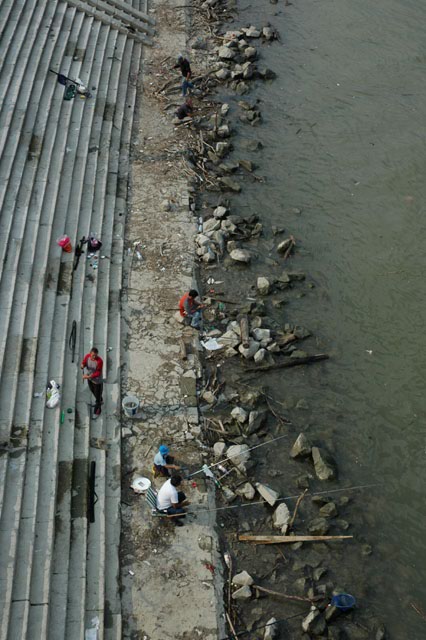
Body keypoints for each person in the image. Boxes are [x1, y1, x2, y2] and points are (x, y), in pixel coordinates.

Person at [81, 347, 103, 416]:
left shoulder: (99, 361)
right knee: (92, 390)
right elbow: (84, 362)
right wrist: (82, 365)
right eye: (93, 355)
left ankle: (98, 409)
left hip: (97, 381)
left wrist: (87, 377)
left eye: (96, 355)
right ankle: (100, 400)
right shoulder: (87, 357)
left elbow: (98, 373)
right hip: (90, 379)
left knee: (97, 394)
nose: (94, 357)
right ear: (90, 354)